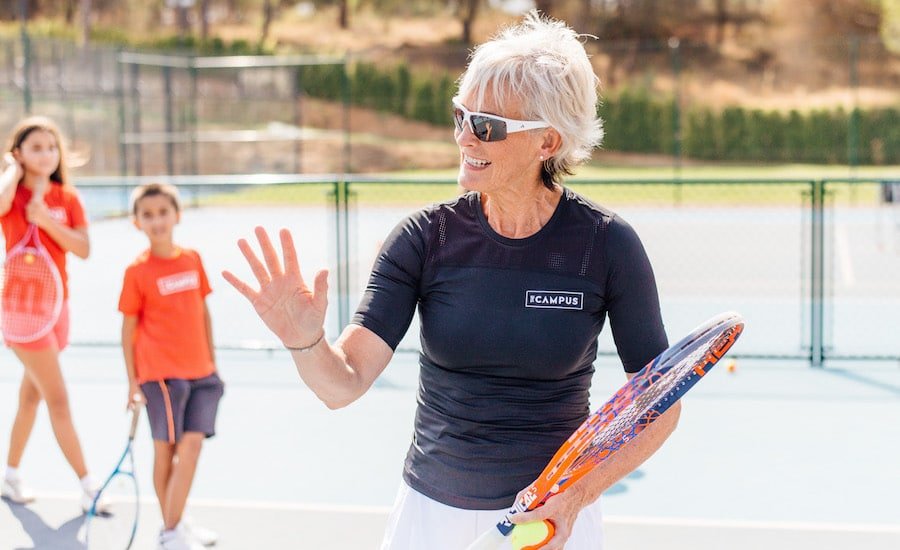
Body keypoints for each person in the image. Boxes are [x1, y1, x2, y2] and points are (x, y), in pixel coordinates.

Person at [224, 11, 676, 550]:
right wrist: (304, 339)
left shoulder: (607, 245)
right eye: (461, 115)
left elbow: (659, 407)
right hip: (429, 518)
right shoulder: (422, 238)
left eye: (487, 126)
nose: (465, 135)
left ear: (548, 142)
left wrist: (575, 498)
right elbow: (340, 385)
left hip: (550, 522)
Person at [0, 116, 106, 513]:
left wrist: (45, 219)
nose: (45, 154)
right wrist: (12, 171)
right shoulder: (12, 196)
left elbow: (83, 248)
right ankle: (89, 484)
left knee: (30, 399)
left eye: (51, 146)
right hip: (20, 313)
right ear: (19, 154)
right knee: (58, 400)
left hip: (57, 310)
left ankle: (9, 475)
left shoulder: (67, 198)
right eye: (35, 147)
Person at [118, 183, 222, 550]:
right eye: (148, 215)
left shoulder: (193, 259)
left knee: (191, 448)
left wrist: (213, 363)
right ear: (137, 223)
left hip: (202, 373)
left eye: (163, 212)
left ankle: (174, 523)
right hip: (160, 377)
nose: (157, 220)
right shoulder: (137, 271)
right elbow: (128, 328)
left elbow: (202, 311)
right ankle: (171, 532)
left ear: (177, 215)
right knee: (167, 451)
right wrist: (132, 381)